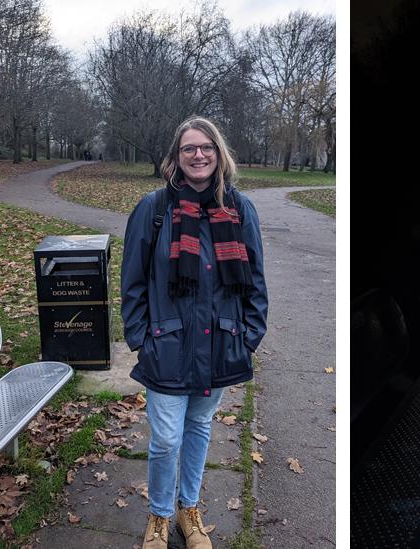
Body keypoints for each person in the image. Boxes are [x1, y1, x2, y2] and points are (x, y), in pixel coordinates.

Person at [121, 116, 268, 549]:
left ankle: (189, 509)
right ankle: (160, 516)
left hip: (221, 342)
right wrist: (139, 340)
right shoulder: (154, 209)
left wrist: (249, 336)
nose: (199, 155)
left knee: (200, 428)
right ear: (177, 156)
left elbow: (256, 281)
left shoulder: (239, 209)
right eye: (189, 148)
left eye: (206, 147)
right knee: (166, 439)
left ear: (219, 153)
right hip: (166, 346)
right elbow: (132, 281)